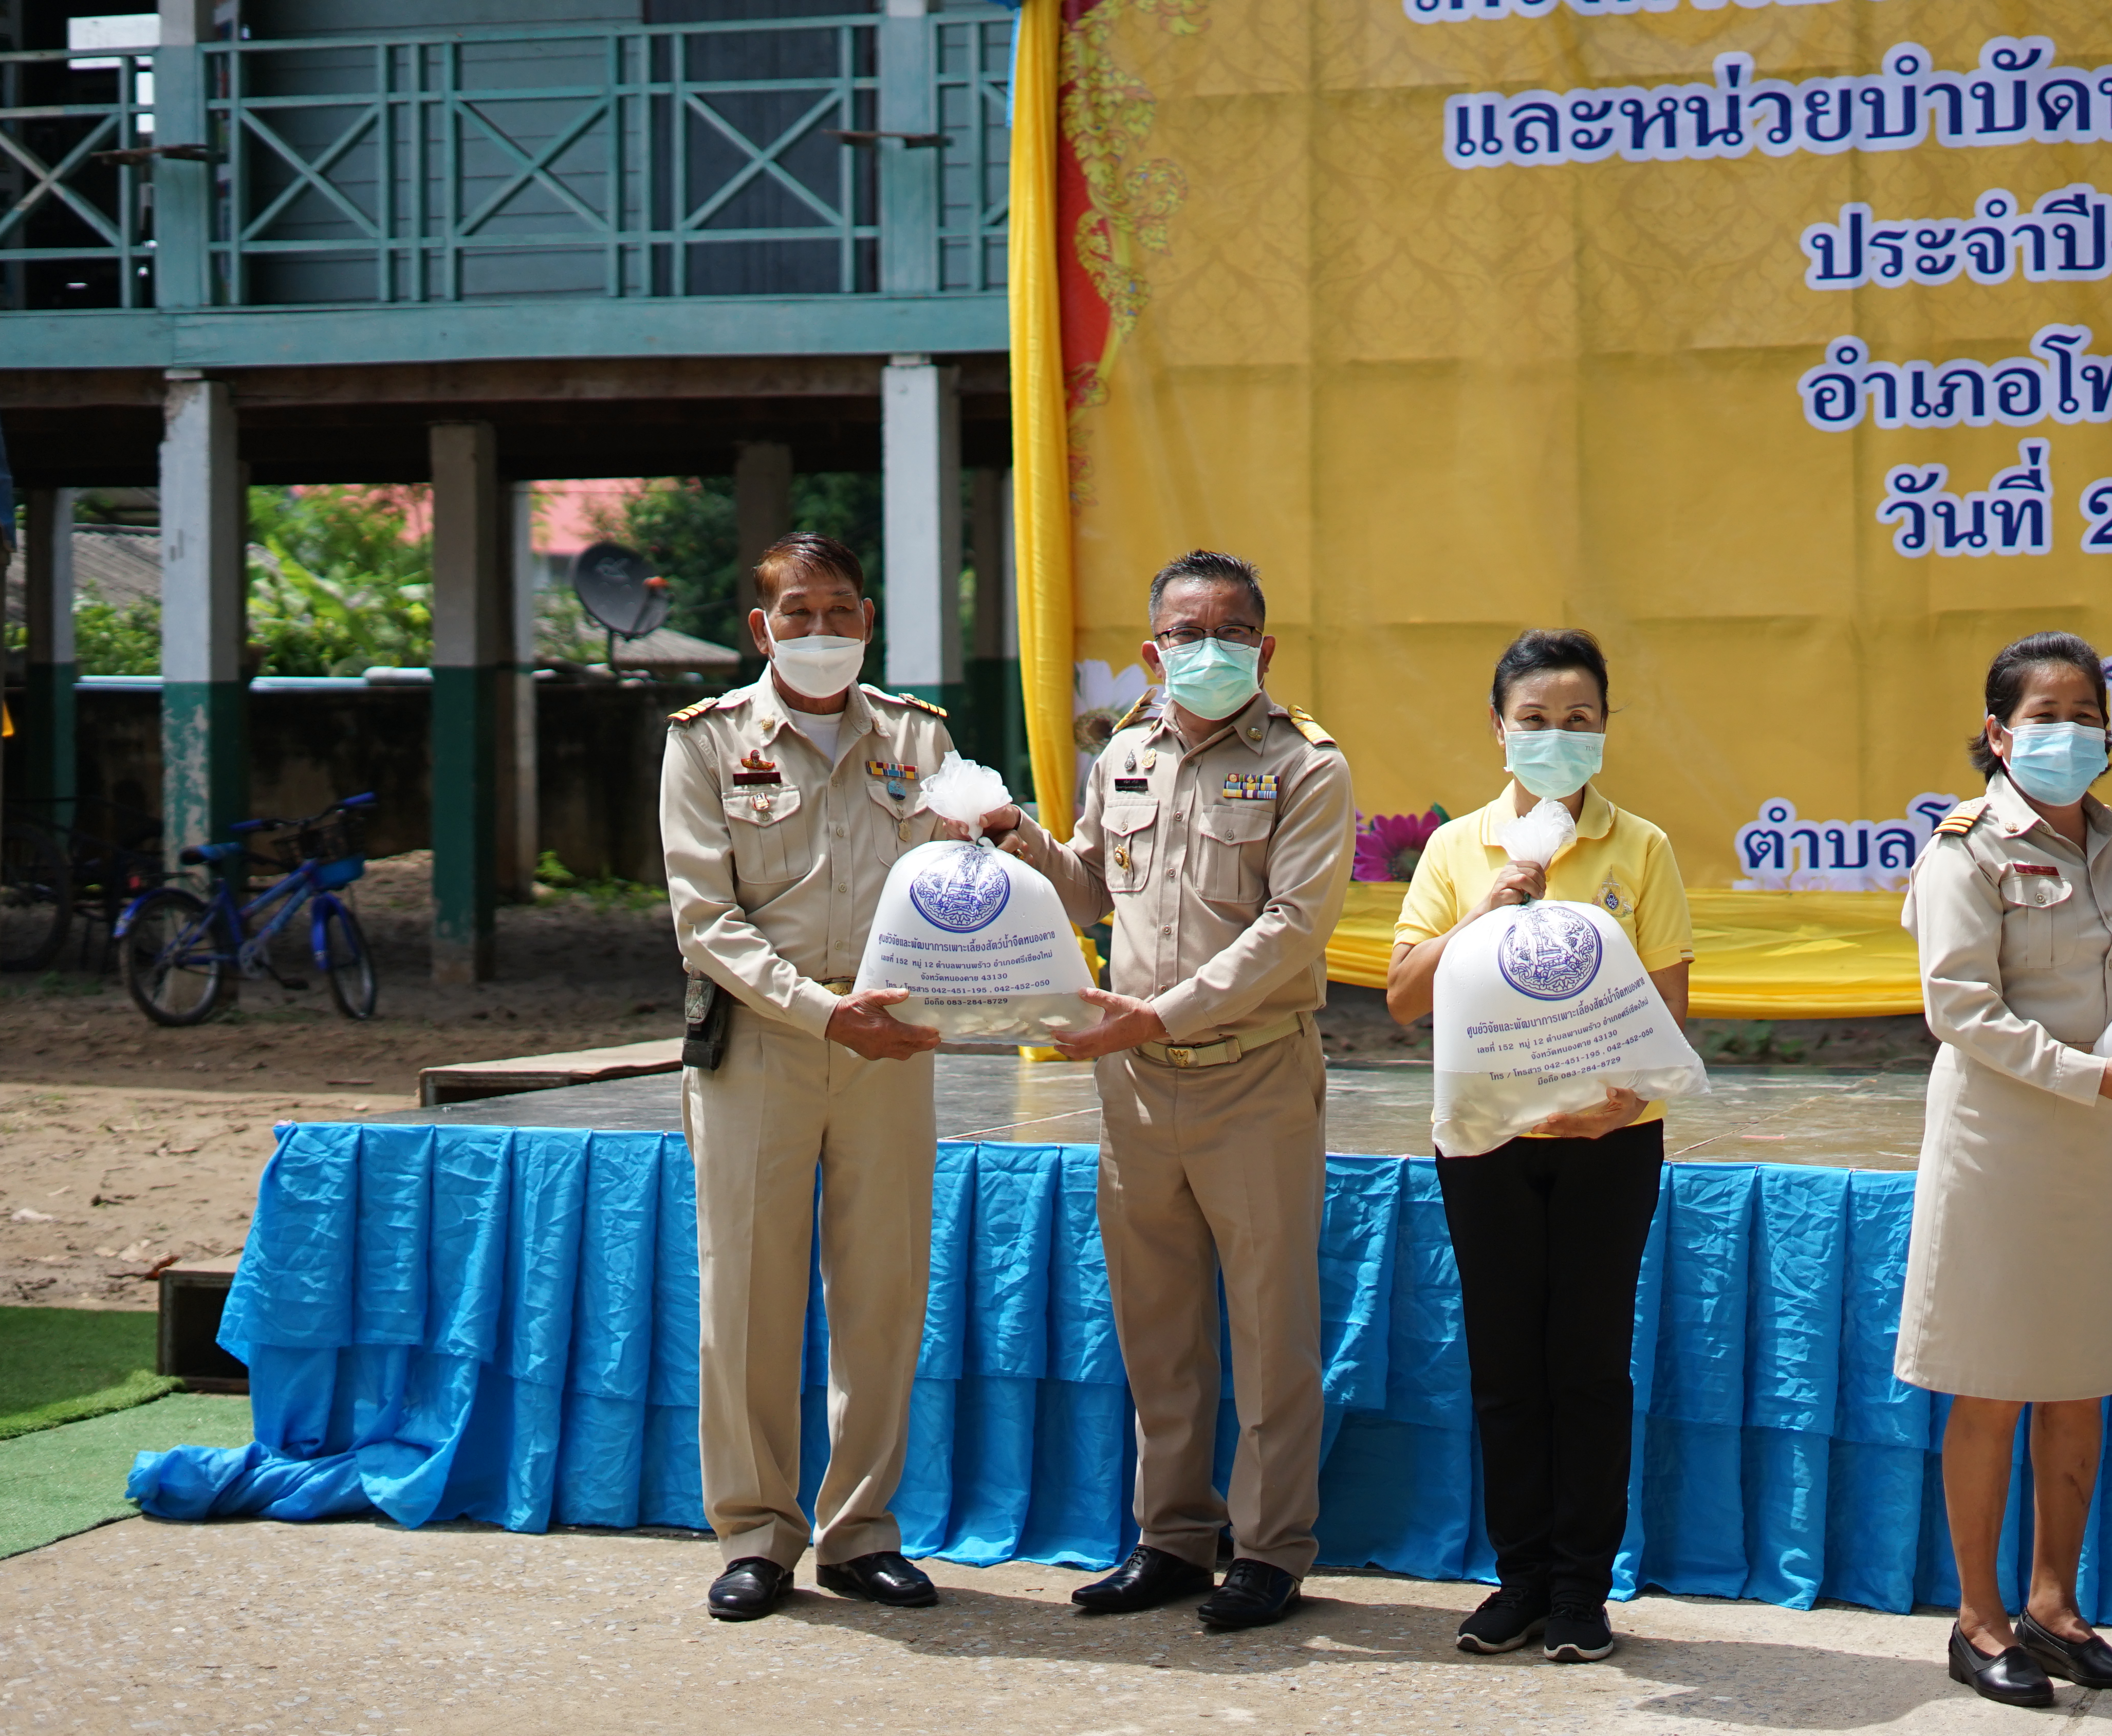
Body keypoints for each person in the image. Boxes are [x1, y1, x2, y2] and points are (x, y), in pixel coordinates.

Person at [982, 549, 1355, 1632]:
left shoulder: (1307, 764)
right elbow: (1094, 884)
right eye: (1185, 635)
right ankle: (1174, 1537)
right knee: (1158, 1326)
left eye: (1229, 632)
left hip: (1255, 1074)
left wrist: (1160, 1012)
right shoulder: (1125, 754)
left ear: (1265, 648)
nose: (1206, 652)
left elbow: (1294, 931)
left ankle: (1272, 1548)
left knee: (1272, 1326)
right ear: (1151, 652)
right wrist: (1022, 843)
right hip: (1135, 1085)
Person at [1897, 631, 2112, 1711]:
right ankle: (1978, 1618)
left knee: (2077, 1382)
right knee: (1990, 1384)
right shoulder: (1965, 849)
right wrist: (2094, 1075)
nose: (2069, 732)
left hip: (2098, 1142)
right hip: (2001, 1140)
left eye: (2087, 713)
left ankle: (2055, 1607)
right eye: (2046, 713)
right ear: (1998, 732)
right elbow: (1961, 1011)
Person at [1382, 629, 1694, 1665]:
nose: (1557, 737)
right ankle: (1518, 1578)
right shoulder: (1456, 846)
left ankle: (1580, 1589)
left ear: (1605, 730)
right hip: (1485, 1142)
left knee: (1590, 1363)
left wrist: (1620, 1102)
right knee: (1507, 1362)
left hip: (1611, 1144)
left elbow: (1670, 1014)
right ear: (1497, 726)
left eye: (1579, 721)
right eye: (1536, 720)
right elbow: (1402, 999)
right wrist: (1477, 913)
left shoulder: (1639, 847)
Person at [659, 532, 956, 1622]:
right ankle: (754, 1532)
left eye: (840, 611)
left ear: (868, 620)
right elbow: (706, 920)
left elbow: (954, 878)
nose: (821, 631)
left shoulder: (920, 737)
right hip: (763, 1045)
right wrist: (825, 1010)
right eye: (799, 612)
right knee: (746, 1295)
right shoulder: (705, 743)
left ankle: (861, 1531)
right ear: (760, 626)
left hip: (892, 1042)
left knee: (881, 1292)